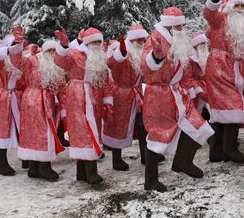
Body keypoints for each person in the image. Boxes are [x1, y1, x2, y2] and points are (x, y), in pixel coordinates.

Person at [141, 7, 214, 192]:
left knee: (200, 126)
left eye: (183, 25)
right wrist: (155, 57)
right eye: (178, 26)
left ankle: (183, 162)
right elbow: (145, 66)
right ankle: (150, 179)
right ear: (170, 26)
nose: (182, 28)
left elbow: (185, 68)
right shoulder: (155, 40)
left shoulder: (178, 41)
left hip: (178, 92)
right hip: (159, 95)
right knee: (158, 135)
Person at [54, 27, 113, 185]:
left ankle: (82, 172)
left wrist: (107, 99)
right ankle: (91, 171)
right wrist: (64, 47)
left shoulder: (100, 57)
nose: (97, 44)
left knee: (90, 129)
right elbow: (61, 62)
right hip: (77, 94)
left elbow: (105, 79)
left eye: (99, 41)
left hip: (94, 97)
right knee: (84, 131)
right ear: (87, 42)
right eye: (94, 41)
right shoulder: (74, 54)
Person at [203, 0, 244, 163]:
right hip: (220, 68)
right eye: (235, 6)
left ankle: (216, 150)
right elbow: (209, 13)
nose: (239, 9)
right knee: (231, 106)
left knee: (222, 110)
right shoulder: (220, 20)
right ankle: (229, 148)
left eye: (241, 6)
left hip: (235, 69)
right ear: (228, 8)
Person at [10, 26, 66, 181]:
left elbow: (62, 88)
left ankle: (35, 167)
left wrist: (64, 108)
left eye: (55, 52)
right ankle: (43, 167)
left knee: (42, 132)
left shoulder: (57, 67)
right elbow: (17, 61)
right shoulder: (33, 61)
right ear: (44, 51)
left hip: (46, 101)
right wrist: (17, 44)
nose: (53, 54)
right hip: (32, 100)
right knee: (41, 133)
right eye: (50, 51)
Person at [104, 25, 149, 170]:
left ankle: (145, 155)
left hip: (137, 94)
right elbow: (111, 63)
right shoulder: (122, 55)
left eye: (142, 39)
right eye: (137, 39)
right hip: (121, 96)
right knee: (118, 126)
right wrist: (121, 52)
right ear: (130, 40)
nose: (140, 42)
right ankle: (116, 160)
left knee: (143, 125)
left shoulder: (141, 55)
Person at [0, 33, 25, 176]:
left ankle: (26, 157)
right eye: (13, 45)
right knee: (1, 130)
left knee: (22, 128)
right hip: (2, 99)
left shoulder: (19, 62)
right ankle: (1, 164)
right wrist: (10, 49)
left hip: (18, 97)